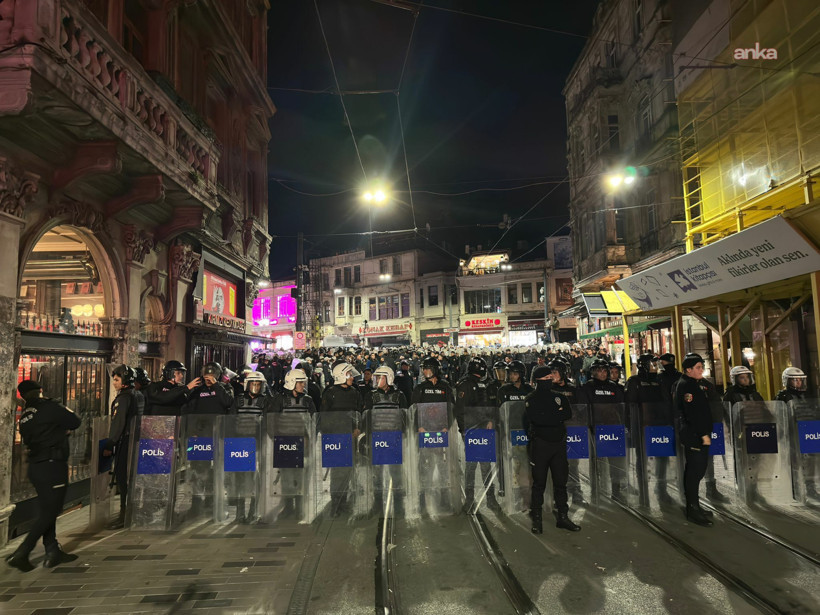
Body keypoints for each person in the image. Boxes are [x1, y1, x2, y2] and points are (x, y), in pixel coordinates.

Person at [6, 381, 81, 571]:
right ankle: (22, 552)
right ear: (40, 391)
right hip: (52, 466)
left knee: (48, 508)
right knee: (51, 511)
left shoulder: (25, 416)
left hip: (36, 467)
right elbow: (75, 422)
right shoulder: (49, 407)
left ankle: (52, 551)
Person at [524, 366, 580, 533]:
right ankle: (537, 519)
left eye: (551, 376)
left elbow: (567, 414)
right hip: (540, 444)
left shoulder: (559, 397)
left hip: (558, 444)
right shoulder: (531, 398)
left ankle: (563, 516)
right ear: (538, 380)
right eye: (547, 377)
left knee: (561, 482)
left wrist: (550, 415)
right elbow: (537, 419)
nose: (550, 379)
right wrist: (555, 415)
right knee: (539, 483)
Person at [455, 357, 501, 513]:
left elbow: (489, 405)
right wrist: (464, 430)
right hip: (473, 430)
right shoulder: (466, 385)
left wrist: (490, 421)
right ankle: (474, 499)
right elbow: (460, 410)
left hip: (481, 430)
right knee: (476, 466)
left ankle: (488, 498)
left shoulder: (482, 385)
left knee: (480, 466)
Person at [102, 365, 145, 529]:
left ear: (125, 381)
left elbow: (118, 423)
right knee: (131, 478)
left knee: (123, 478)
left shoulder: (124, 398)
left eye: (117, 379)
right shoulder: (138, 395)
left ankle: (125, 515)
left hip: (125, 442)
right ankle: (131, 512)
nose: (114, 382)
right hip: (136, 440)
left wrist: (110, 443)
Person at [674, 355, 714, 527]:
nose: (701, 370)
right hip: (694, 435)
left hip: (698, 433)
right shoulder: (687, 386)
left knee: (698, 470)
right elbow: (692, 414)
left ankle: (695, 505)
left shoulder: (694, 383)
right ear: (688, 369)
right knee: (695, 471)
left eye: (701, 367)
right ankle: (692, 508)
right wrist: (703, 434)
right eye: (698, 367)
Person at [320, 363, 364, 517]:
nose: (352, 377)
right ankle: (336, 502)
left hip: (350, 437)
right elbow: (324, 416)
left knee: (348, 470)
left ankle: (344, 501)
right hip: (335, 437)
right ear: (341, 376)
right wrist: (329, 434)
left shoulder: (354, 392)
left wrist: (358, 427)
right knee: (337, 471)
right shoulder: (330, 392)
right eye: (349, 375)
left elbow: (360, 411)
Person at [411, 357, 455, 513]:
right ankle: (422, 498)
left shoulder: (446, 387)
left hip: (441, 433)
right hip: (425, 433)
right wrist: (419, 427)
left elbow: (451, 409)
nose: (425, 371)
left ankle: (444, 497)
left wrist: (446, 427)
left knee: (443, 467)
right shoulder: (420, 388)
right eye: (424, 368)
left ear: (436, 370)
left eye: (428, 368)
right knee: (424, 466)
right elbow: (414, 410)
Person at [228, 372, 271, 523]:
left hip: (257, 444)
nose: (256, 387)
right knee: (239, 480)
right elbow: (231, 420)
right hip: (239, 443)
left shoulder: (265, 401)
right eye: (253, 383)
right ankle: (240, 514)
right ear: (247, 384)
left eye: (258, 384)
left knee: (256, 480)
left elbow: (268, 423)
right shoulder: (238, 400)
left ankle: (254, 512)